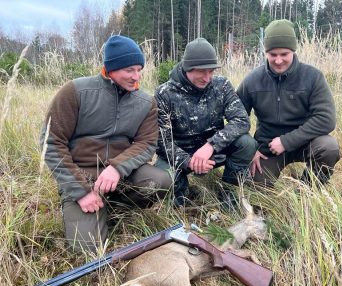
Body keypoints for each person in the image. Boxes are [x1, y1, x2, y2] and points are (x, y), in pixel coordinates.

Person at [40, 35, 172, 253]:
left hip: (122, 176)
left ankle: (115, 206)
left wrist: (117, 168)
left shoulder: (146, 103)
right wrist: (81, 191)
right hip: (82, 176)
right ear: (110, 68)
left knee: (161, 181)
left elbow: (147, 143)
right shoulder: (75, 92)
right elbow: (52, 144)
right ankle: (88, 206)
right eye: (129, 70)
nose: (136, 77)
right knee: (87, 250)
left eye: (139, 69)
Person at [237, 19, 340, 187]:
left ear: (293, 51)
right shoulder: (252, 81)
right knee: (255, 190)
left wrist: (286, 141)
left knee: (329, 147)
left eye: (284, 54)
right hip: (267, 147)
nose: (278, 61)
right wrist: (250, 149)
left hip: (305, 141)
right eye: (273, 55)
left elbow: (326, 119)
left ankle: (307, 191)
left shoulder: (313, 77)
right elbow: (236, 118)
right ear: (266, 53)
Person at [155, 37, 256, 207]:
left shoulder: (221, 85)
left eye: (211, 71)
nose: (207, 77)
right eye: (202, 71)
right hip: (179, 155)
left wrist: (210, 146)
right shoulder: (164, 93)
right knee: (163, 180)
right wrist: (189, 161)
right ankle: (181, 195)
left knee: (247, 143)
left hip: (213, 151)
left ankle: (228, 191)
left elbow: (242, 121)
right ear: (187, 68)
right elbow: (161, 142)